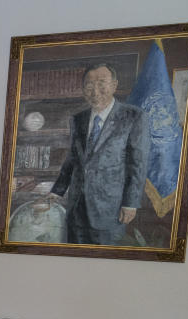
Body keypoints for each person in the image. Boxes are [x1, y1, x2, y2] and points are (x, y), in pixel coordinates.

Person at [48, 62, 149, 245]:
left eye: (102, 83)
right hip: (76, 208)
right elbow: (72, 159)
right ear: (83, 89)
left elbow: (138, 164)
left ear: (114, 85)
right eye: (89, 85)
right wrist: (56, 192)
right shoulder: (78, 119)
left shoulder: (134, 116)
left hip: (111, 209)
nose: (95, 90)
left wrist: (131, 203)